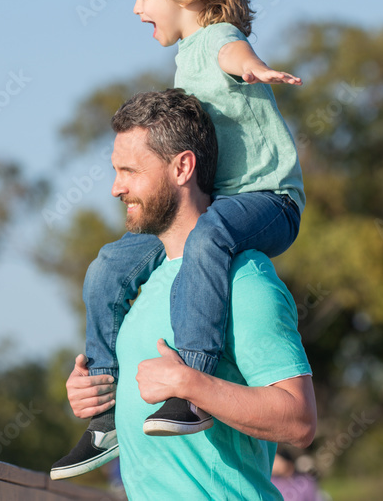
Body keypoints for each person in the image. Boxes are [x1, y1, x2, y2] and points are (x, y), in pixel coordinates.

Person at [52, 0, 306, 479]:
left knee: (209, 236)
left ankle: (189, 381)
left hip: (268, 200)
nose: (136, 7)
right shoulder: (182, 61)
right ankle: (103, 412)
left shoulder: (215, 39)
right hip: (220, 208)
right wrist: (94, 388)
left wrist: (257, 70)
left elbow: (232, 55)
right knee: (108, 266)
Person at [65, 89, 316, 499]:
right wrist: (97, 394)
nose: (115, 188)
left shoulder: (244, 279)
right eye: (115, 170)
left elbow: (300, 421)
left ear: (182, 167)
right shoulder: (141, 287)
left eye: (129, 171)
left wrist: (191, 384)